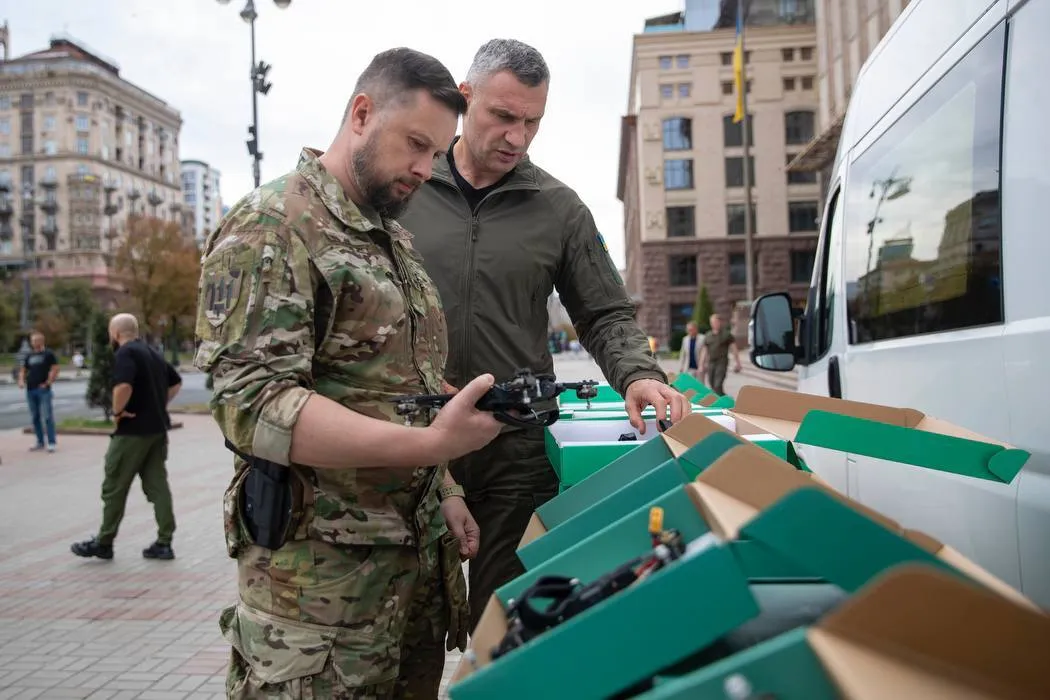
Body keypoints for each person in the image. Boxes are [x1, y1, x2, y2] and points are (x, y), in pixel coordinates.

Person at [192, 47, 504, 699]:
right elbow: (255, 405)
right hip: (319, 609)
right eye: (415, 143)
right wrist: (430, 446)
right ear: (362, 114)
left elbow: (403, 393)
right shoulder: (273, 226)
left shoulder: (392, 240)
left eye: (437, 153)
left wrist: (442, 486)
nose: (425, 168)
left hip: (405, 591)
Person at [397, 38, 692, 634]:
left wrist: (639, 374)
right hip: (407, 442)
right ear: (465, 97)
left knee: (507, 630)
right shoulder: (404, 189)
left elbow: (606, 313)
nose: (518, 137)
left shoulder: (559, 209)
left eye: (532, 122)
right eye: (503, 117)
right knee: (405, 637)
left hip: (516, 451)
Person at [71, 313, 182, 561]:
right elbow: (175, 383)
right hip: (157, 430)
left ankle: (104, 541)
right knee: (157, 486)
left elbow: (123, 386)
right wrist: (157, 405)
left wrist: (118, 412)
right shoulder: (151, 352)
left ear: (115, 333)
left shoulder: (126, 353)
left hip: (132, 432)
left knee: (114, 486)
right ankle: (165, 542)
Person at [18, 331, 59, 453]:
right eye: (33, 341)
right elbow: (23, 369)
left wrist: (48, 382)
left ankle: (51, 442)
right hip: (31, 389)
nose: (34, 343)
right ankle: (40, 441)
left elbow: (55, 369)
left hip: (43, 389)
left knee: (47, 416)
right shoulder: (29, 356)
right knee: (35, 416)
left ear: (42, 341)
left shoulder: (48, 354)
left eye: (37, 340)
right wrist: (21, 380)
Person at [699, 313, 742, 395]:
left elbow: (734, 349)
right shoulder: (708, 335)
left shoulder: (727, 334)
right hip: (711, 362)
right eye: (712, 322)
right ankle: (724, 400)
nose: (714, 324)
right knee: (711, 384)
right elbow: (704, 351)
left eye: (716, 322)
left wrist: (738, 363)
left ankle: (722, 404)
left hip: (721, 362)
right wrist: (701, 365)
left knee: (717, 385)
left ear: (720, 322)